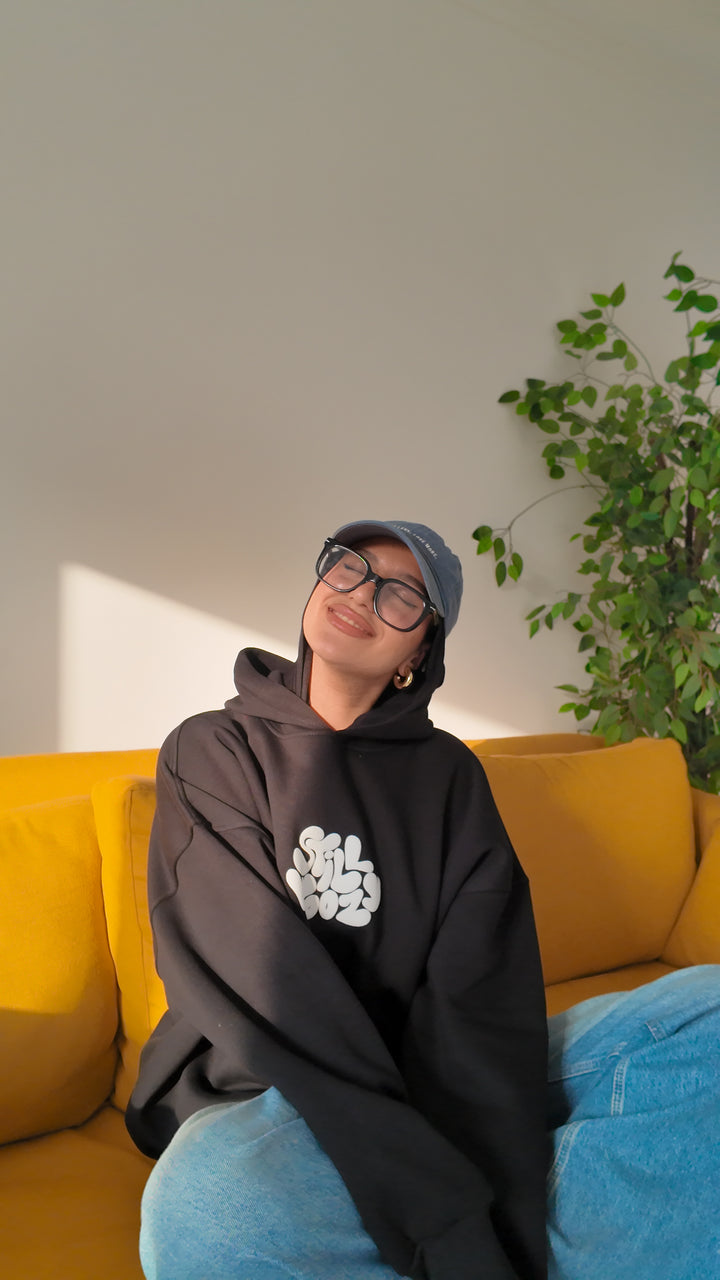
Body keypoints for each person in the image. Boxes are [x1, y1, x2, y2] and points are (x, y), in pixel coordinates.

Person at [125, 519, 549, 1280]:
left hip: (412, 1083)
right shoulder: (212, 749)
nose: (360, 593)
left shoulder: (452, 777)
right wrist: (426, 1187)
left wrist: (499, 1203)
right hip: (253, 1091)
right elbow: (257, 976)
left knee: (698, 1016)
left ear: (420, 651)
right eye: (350, 567)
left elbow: (481, 992)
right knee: (202, 1209)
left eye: (401, 594)